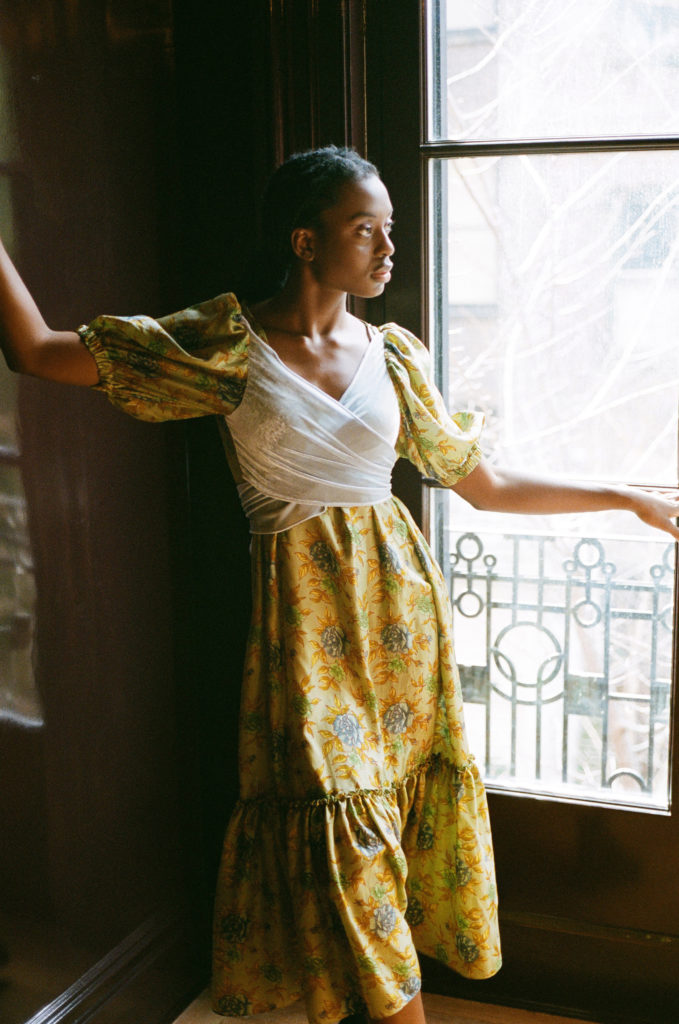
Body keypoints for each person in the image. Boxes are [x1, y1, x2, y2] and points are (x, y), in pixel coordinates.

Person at [0, 145, 677, 1024]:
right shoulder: (227, 344)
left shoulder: (393, 356)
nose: (389, 248)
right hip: (304, 625)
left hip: (401, 616)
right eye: (366, 229)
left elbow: (485, 484)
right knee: (342, 831)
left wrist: (623, 497)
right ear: (305, 241)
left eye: (389, 229)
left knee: (387, 826)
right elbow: (38, 352)